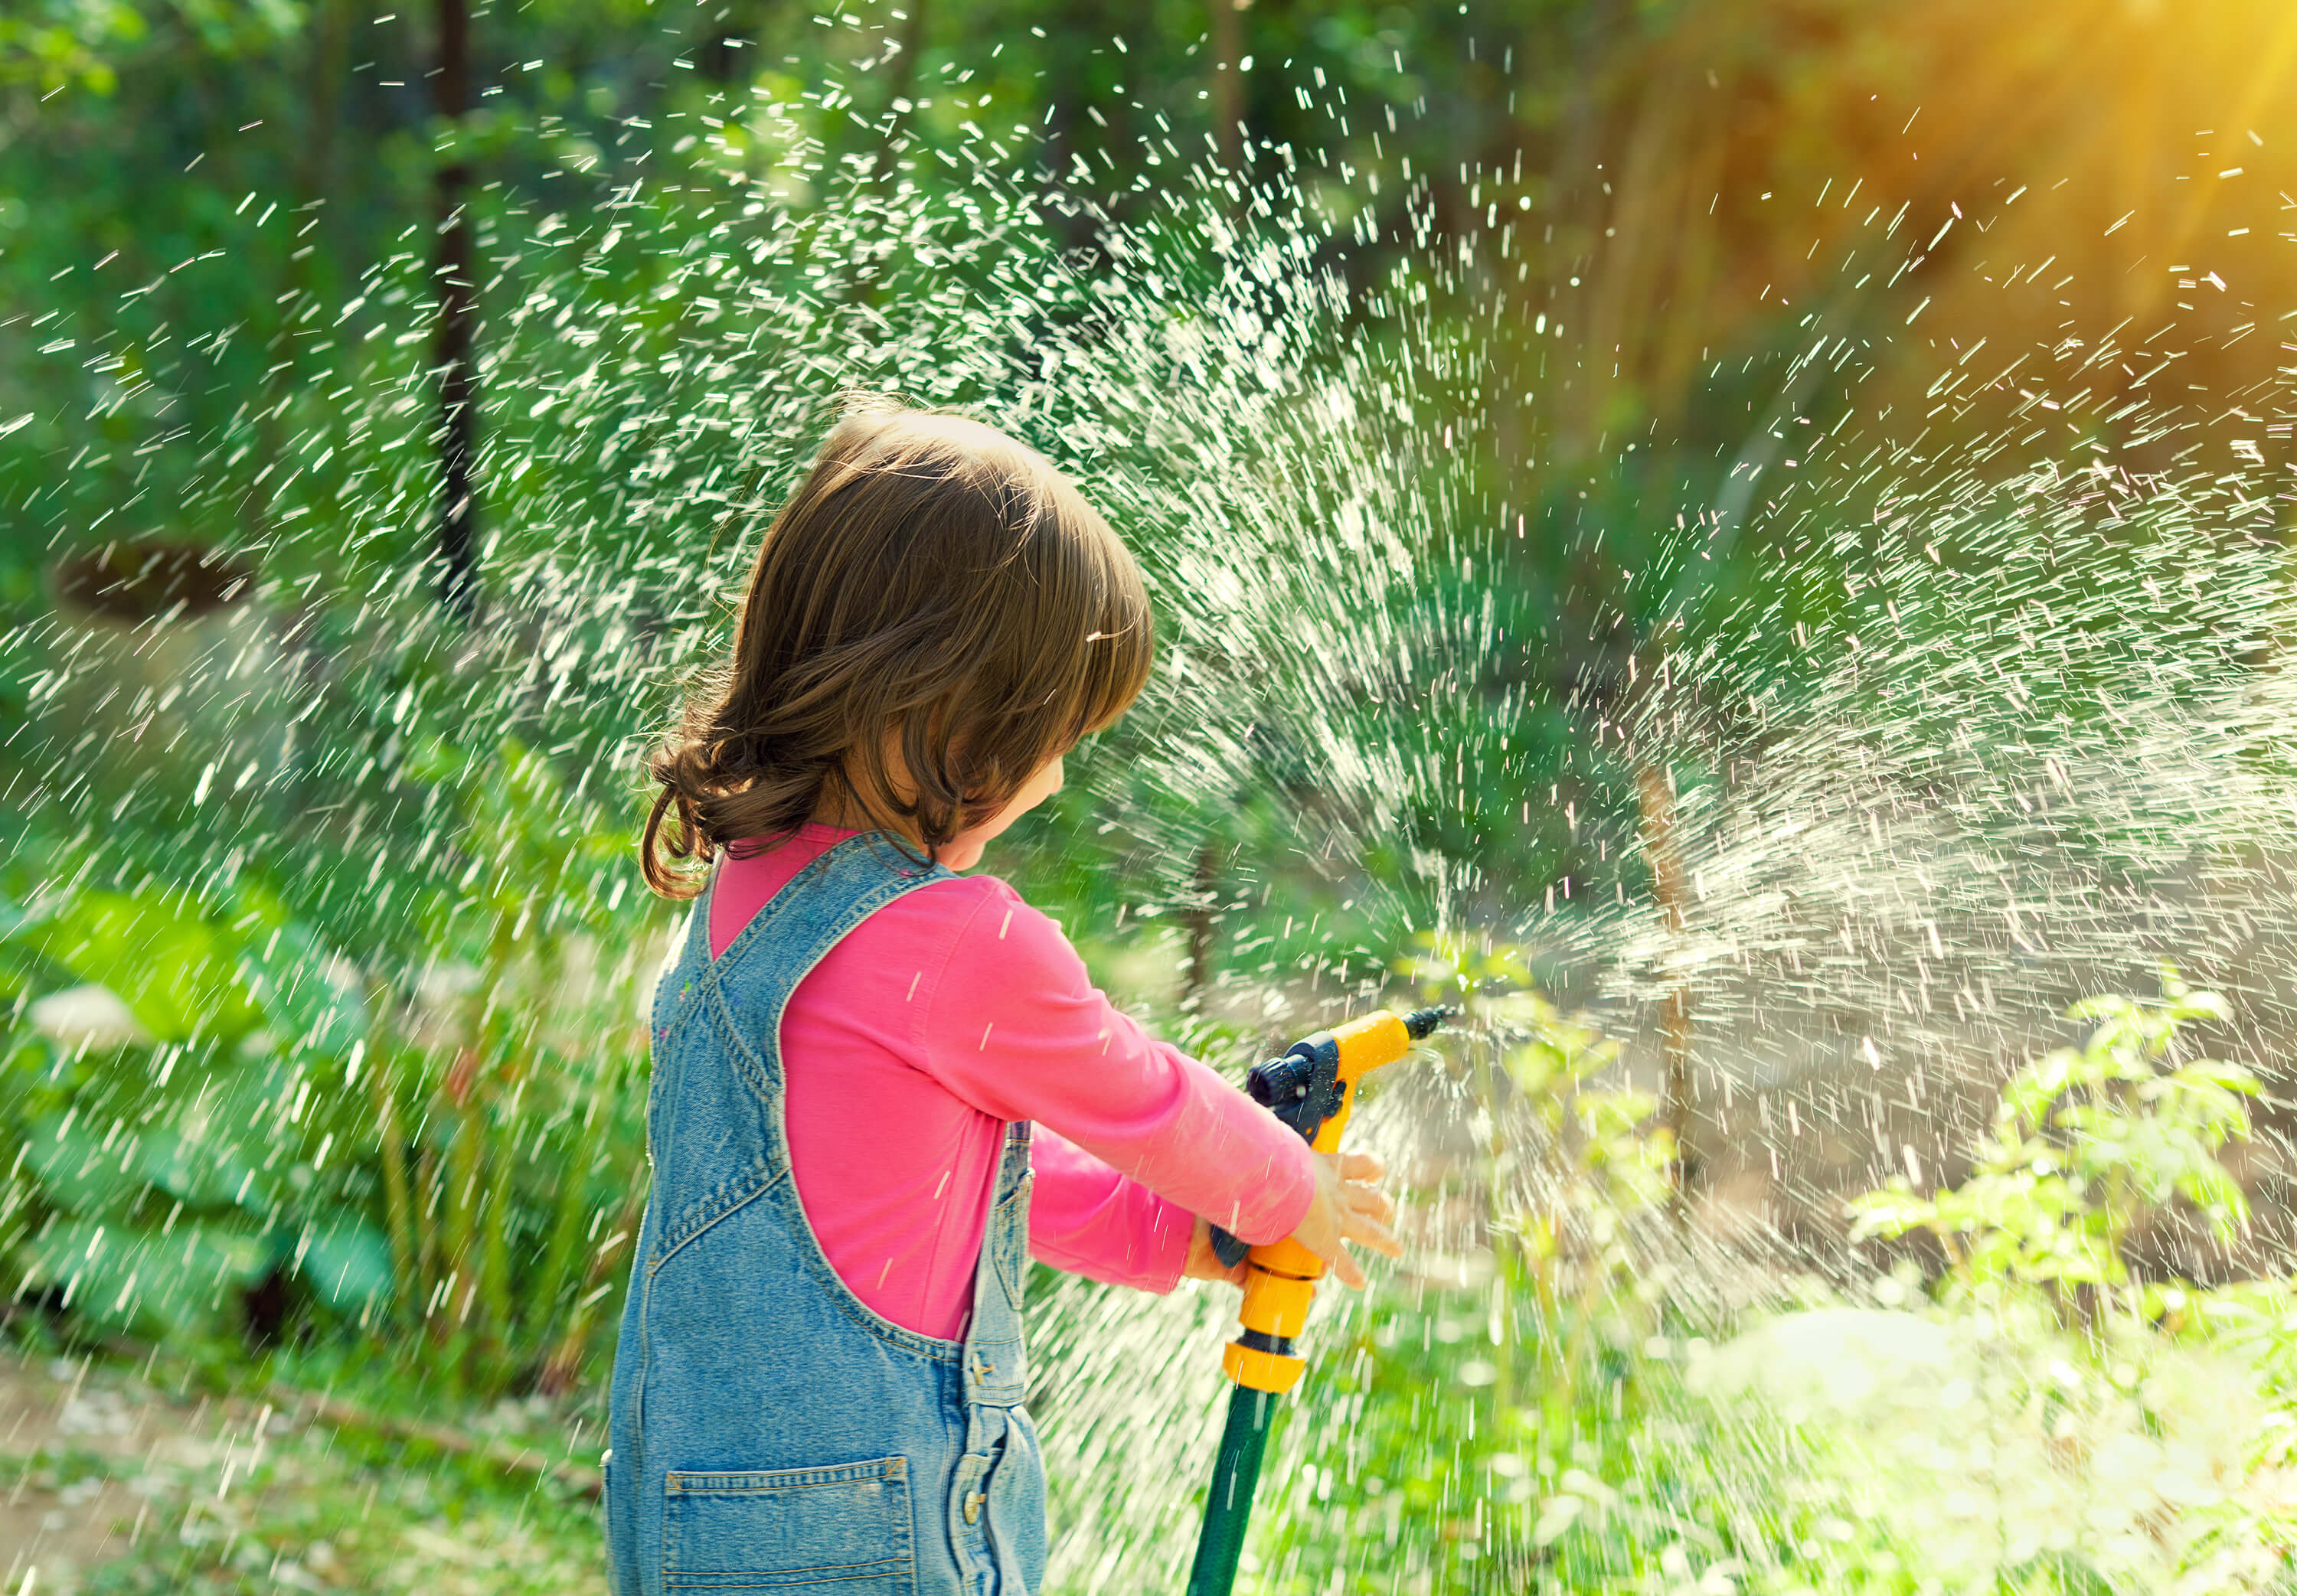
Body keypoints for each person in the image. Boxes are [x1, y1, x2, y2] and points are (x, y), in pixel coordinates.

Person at [603, 401, 1400, 1596]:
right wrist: (1291, 1185)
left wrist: (1183, 1233)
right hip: (871, 1535)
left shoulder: (740, 902)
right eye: (1054, 733)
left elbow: (950, 1190)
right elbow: (1146, 1098)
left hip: (686, 1521)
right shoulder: (958, 942)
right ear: (954, 722)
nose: (1060, 772)